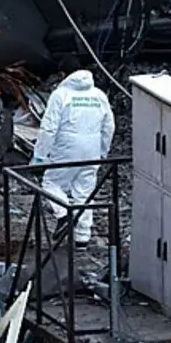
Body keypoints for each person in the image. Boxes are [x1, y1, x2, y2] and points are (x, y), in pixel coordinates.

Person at [31, 54, 115, 247]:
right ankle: (82, 238)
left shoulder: (61, 95)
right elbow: (109, 126)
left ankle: (63, 214)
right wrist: (103, 151)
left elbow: (49, 127)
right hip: (93, 148)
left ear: (63, 75)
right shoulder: (99, 95)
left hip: (67, 147)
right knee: (84, 192)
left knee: (51, 183)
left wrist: (40, 156)